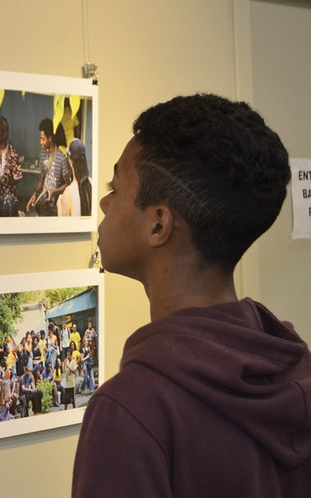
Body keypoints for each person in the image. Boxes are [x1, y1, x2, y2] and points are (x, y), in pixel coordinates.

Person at [72, 94, 311, 497]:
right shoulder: (294, 369)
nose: (104, 202)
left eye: (115, 187)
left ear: (158, 225)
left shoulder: (131, 410)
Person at [26, 118, 71, 216]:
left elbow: (68, 185)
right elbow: (42, 180)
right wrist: (34, 194)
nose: (40, 142)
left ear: (50, 138)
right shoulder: (43, 154)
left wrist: (54, 192)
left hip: (56, 210)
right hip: (43, 207)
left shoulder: (61, 157)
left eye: (43, 139)